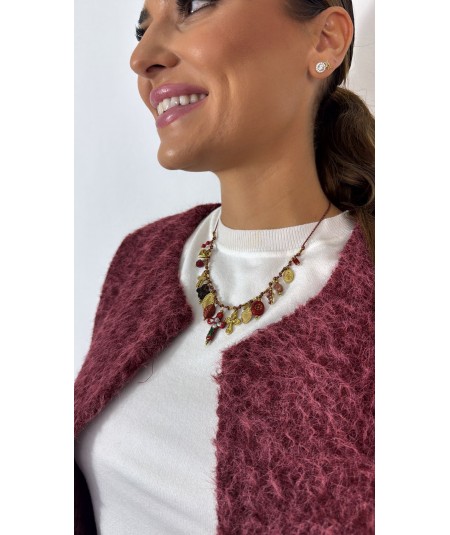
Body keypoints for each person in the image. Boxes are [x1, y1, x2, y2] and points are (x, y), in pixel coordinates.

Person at [74, 0, 374, 533]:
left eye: (193, 5)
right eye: (141, 30)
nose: (141, 57)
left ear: (325, 39)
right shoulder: (141, 259)